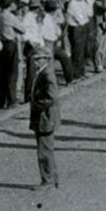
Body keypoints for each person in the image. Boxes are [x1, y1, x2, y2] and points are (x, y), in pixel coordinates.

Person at [27, 50, 61, 189]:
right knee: (47, 148)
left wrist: (36, 105)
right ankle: (53, 177)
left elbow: (52, 97)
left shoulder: (47, 74)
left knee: (44, 150)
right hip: (44, 117)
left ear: (45, 60)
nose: (35, 62)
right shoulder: (44, 72)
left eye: (37, 59)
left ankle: (47, 180)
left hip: (45, 117)